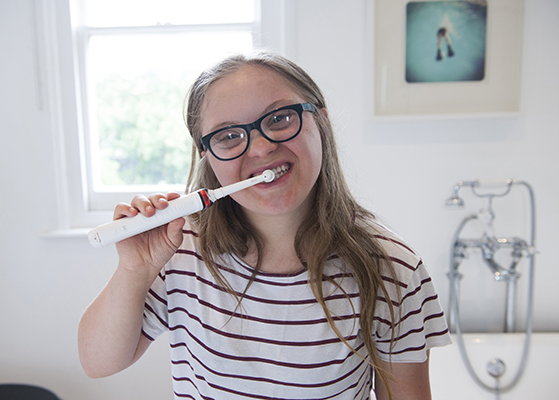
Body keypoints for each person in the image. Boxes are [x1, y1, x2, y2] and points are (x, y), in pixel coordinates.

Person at [78, 52, 451, 400]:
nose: (259, 148)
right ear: (207, 155)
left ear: (319, 120)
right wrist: (134, 269)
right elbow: (98, 363)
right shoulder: (179, 249)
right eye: (228, 135)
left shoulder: (393, 269)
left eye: (279, 118)